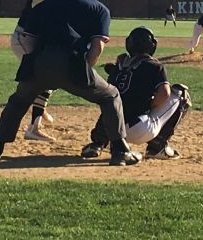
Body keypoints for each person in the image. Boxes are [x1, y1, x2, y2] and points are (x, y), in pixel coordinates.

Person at [0, 0, 141, 166]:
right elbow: (98, 46)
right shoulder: (99, 8)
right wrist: (85, 70)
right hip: (73, 64)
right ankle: (119, 150)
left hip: (39, 62)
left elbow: (28, 39)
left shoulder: (44, 5)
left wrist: (38, 64)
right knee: (110, 96)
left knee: (18, 102)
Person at [81, 26, 191, 161]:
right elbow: (165, 94)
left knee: (112, 101)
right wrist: (151, 105)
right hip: (140, 129)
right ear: (152, 45)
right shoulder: (155, 66)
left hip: (113, 132)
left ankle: (98, 143)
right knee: (182, 93)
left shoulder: (118, 67)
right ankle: (157, 147)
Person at [10, 0, 78, 142]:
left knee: (42, 77)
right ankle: (34, 128)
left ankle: (39, 108)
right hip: (25, 38)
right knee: (46, 77)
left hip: (34, 39)